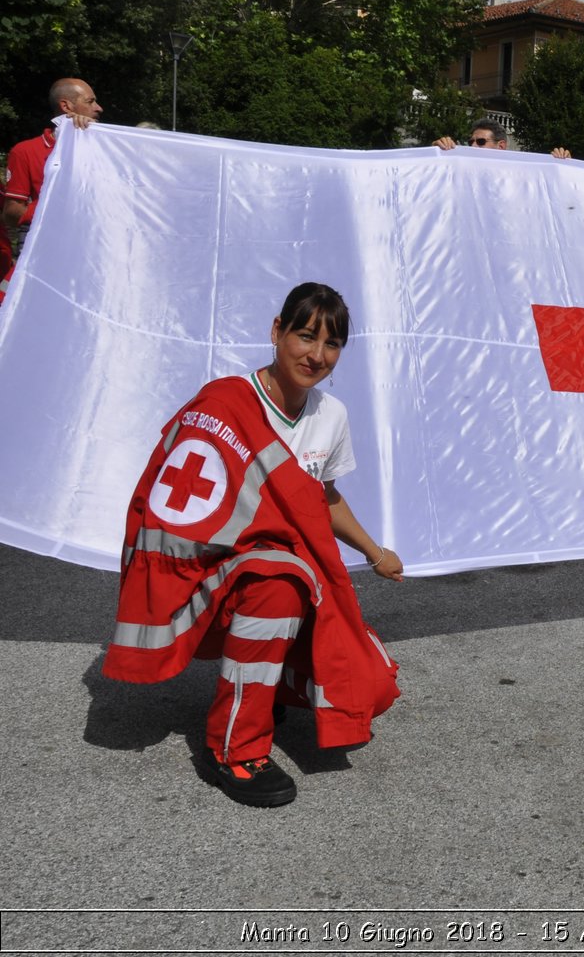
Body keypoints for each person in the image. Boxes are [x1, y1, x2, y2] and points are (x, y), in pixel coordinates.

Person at [103, 283, 402, 807]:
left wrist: (374, 553)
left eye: (331, 345)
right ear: (277, 331)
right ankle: (234, 749)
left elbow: (321, 498)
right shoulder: (224, 403)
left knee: (370, 685)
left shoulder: (330, 416)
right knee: (276, 582)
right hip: (215, 581)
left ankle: (270, 689)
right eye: (305, 336)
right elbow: (175, 503)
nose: (316, 355)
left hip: (293, 574)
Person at [3, 77, 101, 254]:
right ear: (66, 106)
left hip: (94, 248)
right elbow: (11, 212)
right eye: (90, 101)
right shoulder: (25, 150)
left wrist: (97, 138)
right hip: (46, 252)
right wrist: (57, 210)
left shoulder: (103, 147)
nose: (99, 108)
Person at [433, 117, 570, 158]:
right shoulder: (462, 165)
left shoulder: (517, 171)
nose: (474, 146)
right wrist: (435, 152)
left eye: (481, 142)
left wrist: (564, 165)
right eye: (471, 142)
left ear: (501, 146)